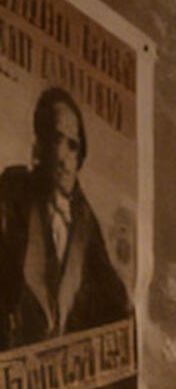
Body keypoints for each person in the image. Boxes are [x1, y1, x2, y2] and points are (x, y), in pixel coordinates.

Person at [0, 88, 131, 350]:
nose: (62, 157)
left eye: (72, 146)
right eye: (55, 139)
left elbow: (116, 306)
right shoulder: (12, 196)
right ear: (39, 145)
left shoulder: (85, 224)